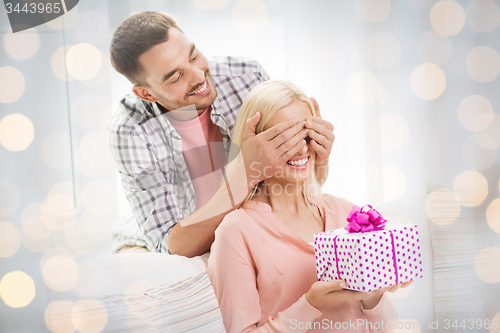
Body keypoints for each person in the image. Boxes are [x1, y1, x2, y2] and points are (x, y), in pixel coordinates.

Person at [108, 12, 335, 257]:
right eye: (176, 76)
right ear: (146, 94)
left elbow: (289, 185)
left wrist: (318, 158)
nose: (199, 77)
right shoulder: (130, 129)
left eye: (193, 56)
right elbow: (172, 246)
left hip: (243, 222)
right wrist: (246, 173)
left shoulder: (246, 76)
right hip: (162, 241)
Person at [207, 80, 413, 333]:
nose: (302, 148)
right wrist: (311, 302)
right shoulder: (236, 231)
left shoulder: (348, 213)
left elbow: (389, 327)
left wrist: (373, 295)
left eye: (308, 133)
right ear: (255, 147)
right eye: (285, 138)